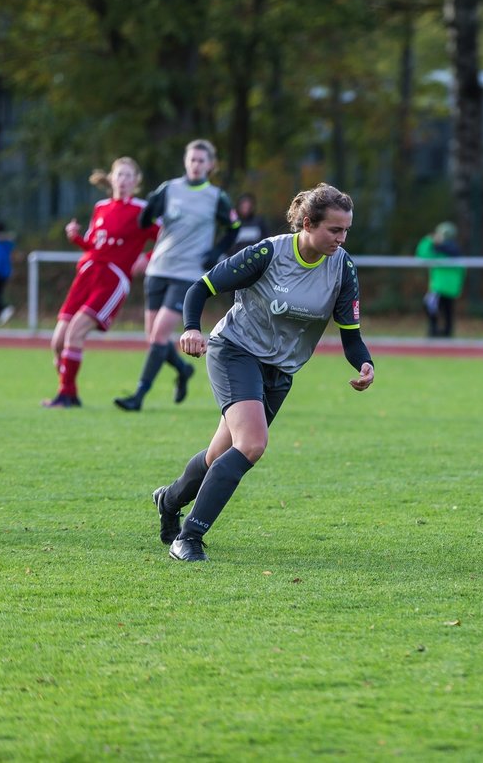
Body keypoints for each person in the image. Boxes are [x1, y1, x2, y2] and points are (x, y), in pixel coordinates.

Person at [152, 183, 374, 562]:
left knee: (220, 453)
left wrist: (364, 364)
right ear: (308, 223)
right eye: (334, 230)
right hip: (235, 351)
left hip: (281, 370)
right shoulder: (269, 252)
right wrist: (191, 328)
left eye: (346, 230)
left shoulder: (342, 267)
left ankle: (169, 500)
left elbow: (350, 336)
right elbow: (199, 289)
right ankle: (188, 538)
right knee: (252, 444)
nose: (341, 238)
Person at [115, 139, 239, 411]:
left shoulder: (216, 196)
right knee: (154, 338)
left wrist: (216, 251)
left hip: (187, 274)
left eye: (201, 161)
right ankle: (183, 369)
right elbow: (145, 222)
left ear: (210, 165)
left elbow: (233, 227)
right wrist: (147, 211)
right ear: (185, 162)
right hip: (158, 268)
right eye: (191, 159)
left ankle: (138, 396)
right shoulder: (169, 189)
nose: (195, 165)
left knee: (159, 336)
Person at [42, 158, 160, 408]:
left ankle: (67, 395)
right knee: (58, 342)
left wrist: (147, 257)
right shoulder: (101, 207)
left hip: (112, 278)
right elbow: (93, 244)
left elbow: (166, 237)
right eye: (120, 175)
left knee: (75, 332)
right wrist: (75, 237)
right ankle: (68, 392)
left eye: (130, 176)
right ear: (112, 178)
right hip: (87, 274)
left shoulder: (142, 210)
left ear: (136, 181)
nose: (124, 180)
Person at [416, 221, 465, 337]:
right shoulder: (457, 251)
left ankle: (434, 330)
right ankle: (446, 332)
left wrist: (428, 240)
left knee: (430, 305)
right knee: (447, 310)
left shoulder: (438, 252)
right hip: (451, 288)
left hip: (439, 287)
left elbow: (421, 254)